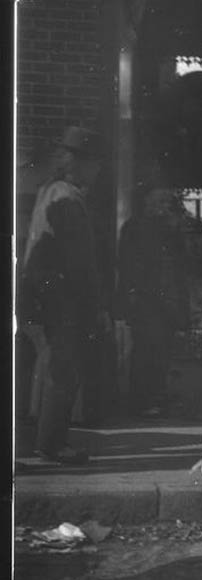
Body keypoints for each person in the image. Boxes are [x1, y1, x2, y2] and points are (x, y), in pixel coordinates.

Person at [19, 126, 107, 464]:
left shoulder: (49, 190)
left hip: (42, 293)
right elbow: (80, 262)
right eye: (94, 163)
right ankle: (53, 444)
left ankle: (45, 440)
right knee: (64, 369)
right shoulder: (69, 199)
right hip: (63, 295)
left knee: (52, 365)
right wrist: (95, 307)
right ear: (79, 163)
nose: (97, 171)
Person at [115, 185, 189, 417]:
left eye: (166, 203)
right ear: (148, 203)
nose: (164, 207)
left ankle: (155, 397)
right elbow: (126, 264)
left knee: (161, 352)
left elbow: (179, 267)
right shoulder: (134, 227)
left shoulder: (171, 230)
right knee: (145, 351)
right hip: (145, 301)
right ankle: (142, 401)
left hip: (166, 302)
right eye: (160, 202)